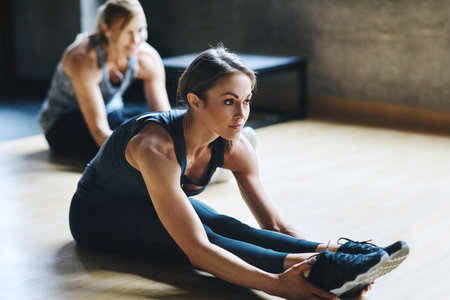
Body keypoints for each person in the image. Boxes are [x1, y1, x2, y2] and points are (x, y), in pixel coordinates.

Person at [68, 46, 408, 299]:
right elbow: (198, 249)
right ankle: (321, 274)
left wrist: (323, 249)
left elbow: (272, 225)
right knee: (208, 235)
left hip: (147, 198)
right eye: (229, 101)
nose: (241, 113)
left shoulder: (236, 146)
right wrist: (281, 285)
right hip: (99, 216)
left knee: (227, 225)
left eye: (246, 100)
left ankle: (334, 260)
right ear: (195, 101)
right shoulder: (155, 148)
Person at [38, 0, 171, 157]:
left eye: (141, 29)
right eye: (127, 32)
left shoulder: (148, 58)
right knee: (136, 147)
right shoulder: (85, 59)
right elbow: (100, 132)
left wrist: (172, 145)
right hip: (64, 123)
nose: (136, 39)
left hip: (111, 113)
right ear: (106, 29)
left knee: (150, 128)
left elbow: (164, 119)